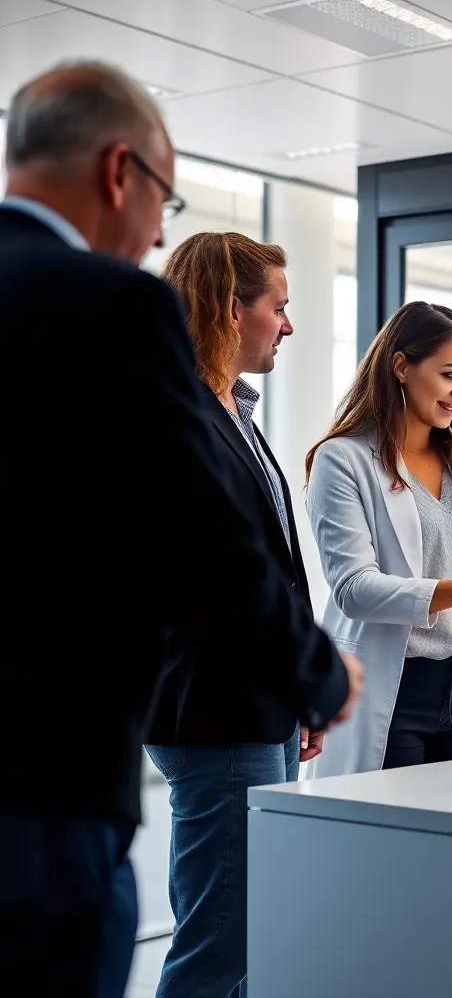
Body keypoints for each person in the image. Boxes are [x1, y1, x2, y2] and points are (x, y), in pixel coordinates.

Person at [0, 62, 359, 996]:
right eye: (163, 198)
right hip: (54, 768)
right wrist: (317, 675)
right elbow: (204, 542)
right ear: (119, 170)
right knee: (214, 940)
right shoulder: (110, 305)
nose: (159, 232)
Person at [144, 233, 358, 997]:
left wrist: (294, 690)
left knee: (245, 934)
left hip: (251, 702)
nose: (288, 325)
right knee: (223, 940)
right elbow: (217, 578)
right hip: (219, 705)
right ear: (232, 311)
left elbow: (269, 570)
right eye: (279, 307)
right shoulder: (181, 415)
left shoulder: (232, 413)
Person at [303, 301, 452, 777]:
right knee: (387, 823)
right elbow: (354, 589)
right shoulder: (343, 459)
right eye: (450, 374)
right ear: (401, 366)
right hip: (396, 688)